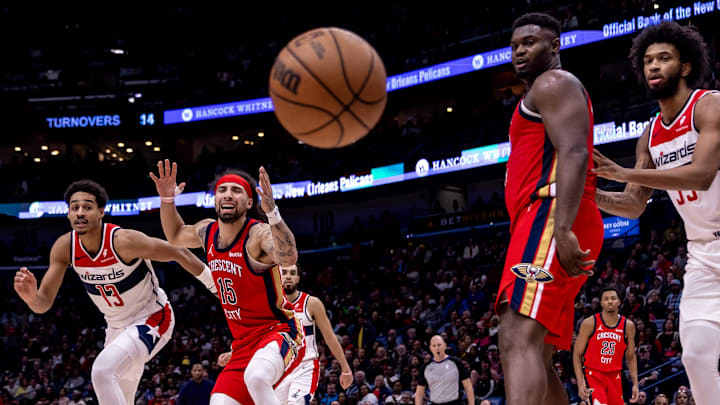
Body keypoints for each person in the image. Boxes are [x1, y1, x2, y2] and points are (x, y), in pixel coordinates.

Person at [592, 21, 720, 405]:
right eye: (647, 60)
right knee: (696, 355)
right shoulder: (648, 135)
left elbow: (700, 175)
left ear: (684, 67)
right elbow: (632, 205)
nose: (653, 66)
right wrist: (587, 193)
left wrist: (624, 171)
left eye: (664, 58)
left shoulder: (709, 104)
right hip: (703, 256)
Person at [13, 180, 211, 405]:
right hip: (115, 328)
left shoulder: (124, 241)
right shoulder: (64, 247)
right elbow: (43, 304)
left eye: (87, 207)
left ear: (101, 211)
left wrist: (215, 285)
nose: (80, 212)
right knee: (121, 396)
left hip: (152, 318)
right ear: (68, 214)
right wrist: (30, 296)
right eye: (74, 207)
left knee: (102, 371)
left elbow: (179, 253)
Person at [494, 12, 604, 405]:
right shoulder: (544, 91)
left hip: (549, 215)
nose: (520, 51)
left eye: (530, 43)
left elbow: (575, 152)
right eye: (515, 45)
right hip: (545, 218)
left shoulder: (553, 83)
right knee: (537, 352)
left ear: (555, 46)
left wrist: (562, 228)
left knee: (516, 332)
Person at [150, 160, 303, 405]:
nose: (227, 195)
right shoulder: (207, 231)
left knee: (257, 377)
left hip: (279, 332)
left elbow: (288, 257)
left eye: (236, 190)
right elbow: (176, 235)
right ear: (215, 199)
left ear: (250, 202)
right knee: (219, 402)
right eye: (222, 190)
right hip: (242, 345)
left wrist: (273, 212)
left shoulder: (258, 234)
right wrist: (167, 200)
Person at [274, 264, 354, 404]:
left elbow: (330, 338)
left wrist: (345, 369)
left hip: (305, 368)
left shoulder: (311, 303)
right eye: (284, 272)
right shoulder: (269, 305)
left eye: (292, 273)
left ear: (298, 278)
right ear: (278, 276)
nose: (288, 276)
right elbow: (254, 336)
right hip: (278, 369)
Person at [573, 287, 639, 405]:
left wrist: (635, 383)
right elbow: (577, 354)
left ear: (619, 302)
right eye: (606, 299)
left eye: (613, 298)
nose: (610, 301)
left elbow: (631, 356)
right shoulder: (589, 323)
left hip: (616, 376)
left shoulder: (628, 325)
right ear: (601, 303)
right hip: (593, 375)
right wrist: (580, 381)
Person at [415, 335, 474, 405]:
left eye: (439, 345)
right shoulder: (426, 367)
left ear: (445, 345)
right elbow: (419, 391)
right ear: (430, 348)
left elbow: (468, 386)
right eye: (434, 346)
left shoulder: (456, 363)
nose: (437, 348)